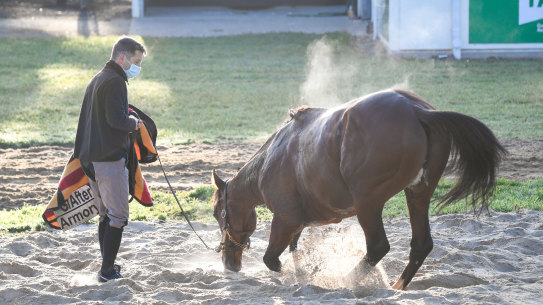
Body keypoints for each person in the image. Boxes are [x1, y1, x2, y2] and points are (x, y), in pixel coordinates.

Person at [73, 36, 147, 282]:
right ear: (122, 57)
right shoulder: (115, 81)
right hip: (108, 159)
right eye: (135, 61)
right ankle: (106, 272)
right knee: (118, 216)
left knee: (105, 214)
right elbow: (116, 121)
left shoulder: (98, 77)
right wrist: (134, 123)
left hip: (90, 158)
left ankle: (109, 265)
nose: (135, 68)